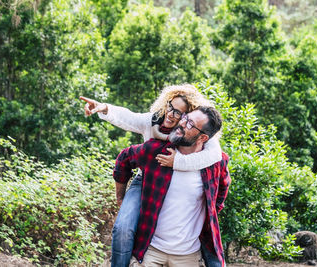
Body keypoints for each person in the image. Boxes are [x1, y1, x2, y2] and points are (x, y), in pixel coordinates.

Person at [79, 84, 222, 266]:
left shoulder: (192, 134)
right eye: (170, 107)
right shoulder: (154, 121)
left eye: (179, 113)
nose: (171, 114)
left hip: (175, 184)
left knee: (209, 234)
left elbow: (215, 155)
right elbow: (129, 118)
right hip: (145, 178)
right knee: (123, 228)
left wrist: (177, 162)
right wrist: (105, 108)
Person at [114, 106, 230, 267]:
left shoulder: (215, 164)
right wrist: (121, 197)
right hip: (150, 251)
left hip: (188, 256)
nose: (182, 123)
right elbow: (124, 159)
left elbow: (221, 193)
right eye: (185, 118)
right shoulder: (156, 151)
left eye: (190, 124)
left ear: (203, 138)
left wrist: (208, 213)